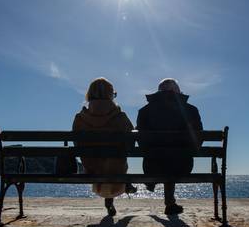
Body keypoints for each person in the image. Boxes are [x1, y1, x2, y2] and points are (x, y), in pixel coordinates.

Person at [137, 78, 203, 215]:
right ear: (177, 91)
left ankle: (158, 189)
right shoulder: (191, 110)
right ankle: (170, 204)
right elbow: (198, 138)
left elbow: (140, 139)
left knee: (163, 157)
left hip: (152, 166)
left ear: (159, 91)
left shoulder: (144, 111)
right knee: (173, 158)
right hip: (183, 166)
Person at [73, 77, 134, 216]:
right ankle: (120, 191)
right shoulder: (120, 117)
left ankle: (114, 196)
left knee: (102, 162)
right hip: (116, 166)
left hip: (91, 166)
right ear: (110, 94)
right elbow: (131, 141)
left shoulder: (80, 118)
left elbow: (76, 144)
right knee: (113, 161)